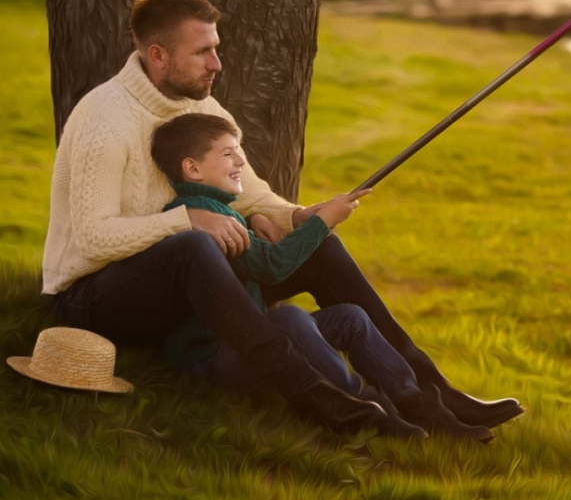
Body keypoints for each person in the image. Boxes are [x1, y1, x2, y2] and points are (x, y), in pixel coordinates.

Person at [44, 0, 523, 436]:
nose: (218, 63)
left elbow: (250, 195)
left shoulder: (204, 107)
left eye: (216, 47)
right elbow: (93, 239)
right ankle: (318, 397)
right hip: (97, 298)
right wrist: (188, 219)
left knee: (320, 245)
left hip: (188, 276)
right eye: (202, 52)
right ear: (158, 57)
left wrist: (302, 218)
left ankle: (430, 390)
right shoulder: (105, 119)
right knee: (191, 246)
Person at [148, 113, 493, 442]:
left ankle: (416, 403)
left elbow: (256, 256)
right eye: (228, 153)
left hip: (250, 347)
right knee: (288, 316)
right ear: (192, 168)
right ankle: (365, 407)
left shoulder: (223, 213)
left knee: (351, 317)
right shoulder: (198, 219)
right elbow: (272, 265)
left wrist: (255, 216)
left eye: (239, 150)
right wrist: (322, 220)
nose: (240, 161)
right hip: (214, 362)